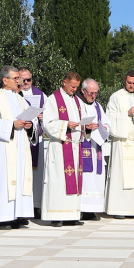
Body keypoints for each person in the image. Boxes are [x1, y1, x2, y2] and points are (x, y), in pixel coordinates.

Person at [0, 66, 35, 229]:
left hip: (19, 148)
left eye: (19, 78)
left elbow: (29, 119)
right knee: (3, 181)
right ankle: (0, 217)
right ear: (5, 80)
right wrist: (11, 125)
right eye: (16, 78)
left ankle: (16, 214)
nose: (19, 81)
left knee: (19, 178)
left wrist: (29, 125)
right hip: (3, 149)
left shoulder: (20, 99)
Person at [40, 71, 85, 226]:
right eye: (72, 86)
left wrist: (87, 126)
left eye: (76, 87)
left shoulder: (77, 101)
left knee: (75, 181)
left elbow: (81, 121)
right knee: (58, 182)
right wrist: (66, 125)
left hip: (75, 147)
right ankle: (56, 216)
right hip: (60, 147)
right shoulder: (53, 100)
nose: (74, 90)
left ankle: (72, 215)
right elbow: (47, 123)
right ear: (64, 82)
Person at [104, 71, 134, 219]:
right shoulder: (116, 97)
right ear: (125, 81)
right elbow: (109, 120)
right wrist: (127, 114)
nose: (131, 85)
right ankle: (119, 209)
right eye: (129, 82)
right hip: (122, 143)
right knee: (121, 176)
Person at [76, 78, 109, 221]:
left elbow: (106, 122)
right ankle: (81, 209)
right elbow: (73, 123)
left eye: (96, 93)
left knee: (95, 179)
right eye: (90, 93)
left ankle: (92, 210)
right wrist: (85, 127)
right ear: (83, 91)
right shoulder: (76, 104)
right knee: (85, 179)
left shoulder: (97, 106)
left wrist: (104, 128)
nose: (93, 96)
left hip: (96, 148)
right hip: (82, 146)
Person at [19, 67, 46, 216]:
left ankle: (36, 205)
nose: (27, 83)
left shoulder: (41, 95)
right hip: (20, 138)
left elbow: (51, 115)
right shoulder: (15, 94)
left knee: (36, 173)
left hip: (36, 139)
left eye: (29, 79)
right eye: (24, 80)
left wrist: (44, 117)